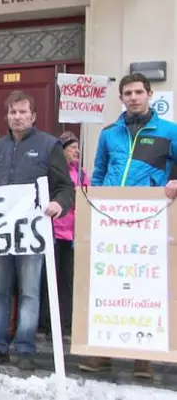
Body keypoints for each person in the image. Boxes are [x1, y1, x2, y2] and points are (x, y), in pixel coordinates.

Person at [79, 73, 177, 380]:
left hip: (149, 221)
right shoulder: (109, 133)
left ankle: (142, 357)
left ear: (149, 94)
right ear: (120, 98)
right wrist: (90, 207)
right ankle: (102, 353)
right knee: (107, 284)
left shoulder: (169, 131)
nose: (133, 97)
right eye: (127, 93)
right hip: (110, 219)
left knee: (145, 287)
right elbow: (99, 173)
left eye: (138, 92)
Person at [0, 90, 75, 371]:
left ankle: (26, 348)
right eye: (12, 112)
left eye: (22, 112)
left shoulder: (49, 145)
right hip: (0, 233)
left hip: (32, 233)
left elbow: (66, 187)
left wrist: (58, 204)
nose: (17, 117)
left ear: (33, 116)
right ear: (7, 116)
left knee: (29, 292)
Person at [38, 132, 88, 342]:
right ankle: (44, 324)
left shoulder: (82, 174)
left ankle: (64, 326)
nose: (76, 151)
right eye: (71, 147)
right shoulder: (55, 170)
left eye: (78, 147)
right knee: (48, 280)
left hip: (73, 234)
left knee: (67, 282)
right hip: (53, 231)